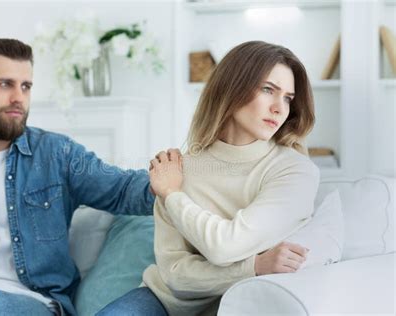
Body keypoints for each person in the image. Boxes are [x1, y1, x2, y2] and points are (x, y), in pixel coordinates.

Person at [0, 38, 155, 316]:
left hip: (32, 302)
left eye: (26, 86)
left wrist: (172, 181)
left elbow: (122, 188)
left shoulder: (57, 153)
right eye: (5, 84)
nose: (18, 97)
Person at [97, 41, 320, 315]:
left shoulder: (294, 171)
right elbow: (174, 273)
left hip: (242, 304)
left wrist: (172, 195)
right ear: (232, 87)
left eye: (288, 97)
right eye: (268, 89)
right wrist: (254, 266)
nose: (279, 107)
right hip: (163, 301)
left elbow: (225, 247)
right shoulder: (177, 170)